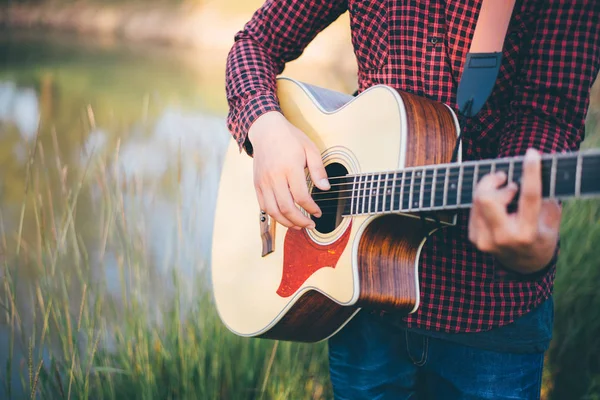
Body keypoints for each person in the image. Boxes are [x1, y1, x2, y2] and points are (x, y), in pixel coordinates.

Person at [224, 1, 600, 398]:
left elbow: (547, 115)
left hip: (489, 318)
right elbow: (255, 43)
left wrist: (529, 242)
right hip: (361, 299)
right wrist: (264, 126)